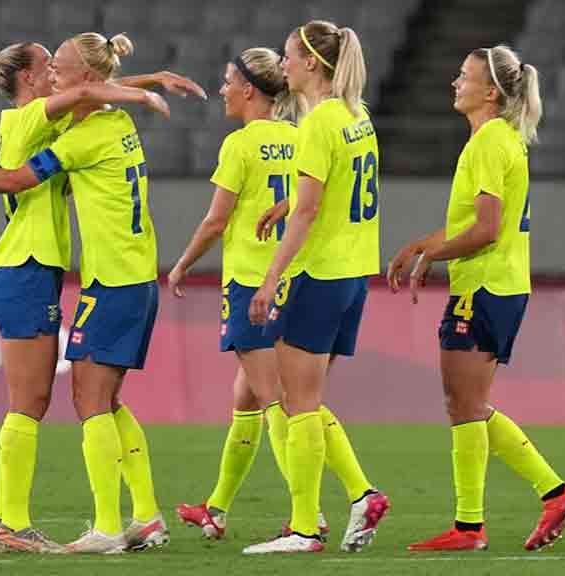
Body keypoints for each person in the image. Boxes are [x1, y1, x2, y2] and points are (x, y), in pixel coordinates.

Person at [0, 39, 187, 553]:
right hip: (24, 267)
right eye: (47, 65)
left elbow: (91, 90)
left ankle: (133, 517)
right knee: (30, 402)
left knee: (75, 400)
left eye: (58, 66)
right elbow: (24, 165)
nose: (53, 73)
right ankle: (10, 522)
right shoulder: (27, 121)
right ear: (28, 78)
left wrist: (147, 81)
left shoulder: (60, 124)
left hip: (44, 271)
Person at [386, 45, 565, 552]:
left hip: (484, 286)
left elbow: (487, 230)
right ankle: (534, 501)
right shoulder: (500, 139)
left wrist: (434, 255)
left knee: (464, 404)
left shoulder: (488, 143)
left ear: (491, 92)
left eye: (464, 76)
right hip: (500, 285)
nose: (455, 83)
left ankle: (487, 519)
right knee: (466, 404)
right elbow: (471, 224)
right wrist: (424, 246)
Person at [168, 46, 369, 541]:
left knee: (283, 401)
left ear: (248, 90)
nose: (222, 90)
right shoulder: (300, 134)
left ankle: (334, 504)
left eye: (227, 81)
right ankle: (217, 506)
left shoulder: (240, 145)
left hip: (251, 284)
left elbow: (217, 220)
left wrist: (182, 263)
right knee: (248, 398)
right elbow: (312, 200)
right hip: (293, 277)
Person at [239, 20, 389, 555]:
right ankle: (361, 495)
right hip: (354, 273)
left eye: (288, 55)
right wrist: (288, 203)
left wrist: (270, 278)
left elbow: (308, 213)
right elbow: (333, 190)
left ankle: (304, 528)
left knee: (297, 402)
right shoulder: (357, 115)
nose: (283, 64)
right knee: (308, 398)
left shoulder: (319, 122)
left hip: (319, 274)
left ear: (311, 63)